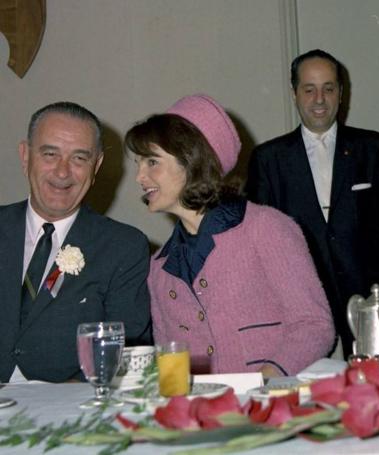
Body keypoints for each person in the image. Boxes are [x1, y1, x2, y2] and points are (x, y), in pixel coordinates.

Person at [126, 94, 335, 377]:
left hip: (270, 410)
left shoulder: (267, 228)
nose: (139, 176)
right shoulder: (159, 268)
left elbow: (314, 325)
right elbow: (172, 366)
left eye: (152, 162)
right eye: (139, 163)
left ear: (191, 161)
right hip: (203, 416)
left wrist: (265, 381)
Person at [246, 49, 379, 357]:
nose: (319, 99)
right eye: (309, 90)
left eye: (328, 88)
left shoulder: (376, 149)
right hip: (300, 304)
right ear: (294, 94)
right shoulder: (268, 159)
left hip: (370, 303)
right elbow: (260, 245)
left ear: (341, 93)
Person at [0, 102, 152, 383]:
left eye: (79, 159)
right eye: (50, 154)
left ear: (96, 166)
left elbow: (127, 352)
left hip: (70, 414)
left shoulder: (124, 248)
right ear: (25, 156)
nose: (62, 172)